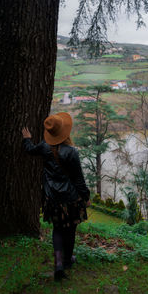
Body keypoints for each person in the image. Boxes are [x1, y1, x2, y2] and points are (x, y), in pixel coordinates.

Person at [22, 112, 90, 281]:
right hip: (71, 198)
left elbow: (29, 149)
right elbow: (78, 180)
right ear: (65, 132)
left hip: (52, 198)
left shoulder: (44, 146)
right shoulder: (71, 152)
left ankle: (58, 264)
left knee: (58, 229)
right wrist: (86, 197)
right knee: (71, 229)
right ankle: (67, 260)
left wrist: (27, 138)